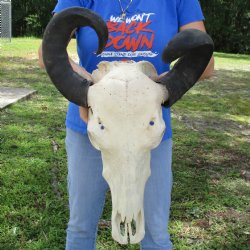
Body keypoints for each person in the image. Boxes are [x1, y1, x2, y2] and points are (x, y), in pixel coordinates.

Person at [38, 0, 214, 249]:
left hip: (148, 132)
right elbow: (49, 49)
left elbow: (204, 60)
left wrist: (155, 88)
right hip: (91, 128)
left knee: (155, 233)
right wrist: (89, 89)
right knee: (80, 228)